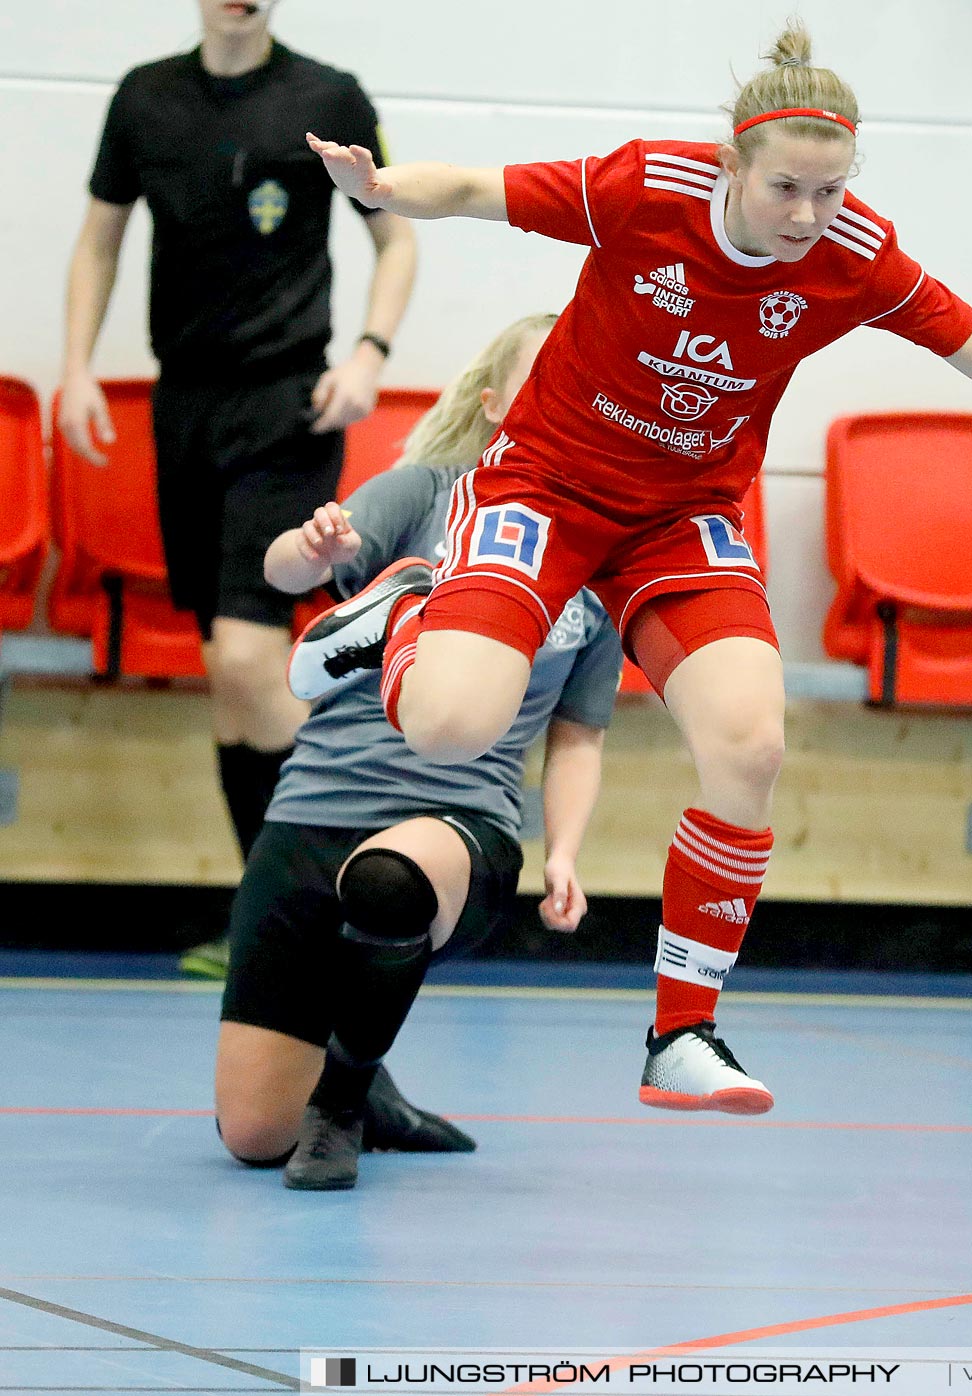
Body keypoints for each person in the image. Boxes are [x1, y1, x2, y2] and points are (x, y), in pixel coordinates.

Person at [290, 21, 972, 1117]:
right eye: (787, 190)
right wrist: (384, 189)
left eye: (830, 190)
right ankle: (401, 618)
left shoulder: (851, 253)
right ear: (731, 165)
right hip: (547, 487)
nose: (810, 216)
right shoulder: (645, 189)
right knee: (448, 726)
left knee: (752, 744)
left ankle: (681, 1030)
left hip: (684, 515)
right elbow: (480, 188)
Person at [216, 313, 622, 1191]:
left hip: (454, 825)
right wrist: (314, 548)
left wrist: (563, 853)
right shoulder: (423, 495)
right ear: (494, 406)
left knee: (389, 881)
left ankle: (345, 1102)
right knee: (251, 1136)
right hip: (313, 810)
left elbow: (579, 734)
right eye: (545, 382)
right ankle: (368, 1077)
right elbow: (284, 571)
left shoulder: (603, 561)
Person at [57, 0, 418, 978]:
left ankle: (354, 885)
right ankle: (269, 917)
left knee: (255, 663)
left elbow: (398, 240)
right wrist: (79, 366)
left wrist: (370, 356)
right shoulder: (145, 100)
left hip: (288, 412)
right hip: (187, 409)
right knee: (226, 675)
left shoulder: (325, 96)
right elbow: (99, 241)